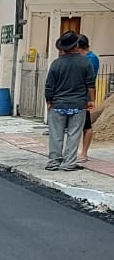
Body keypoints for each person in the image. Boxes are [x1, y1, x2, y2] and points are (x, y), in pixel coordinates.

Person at [45, 30, 95, 171]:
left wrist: (49, 101)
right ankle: (69, 163)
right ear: (76, 45)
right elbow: (90, 84)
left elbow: (49, 85)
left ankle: (54, 162)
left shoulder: (56, 64)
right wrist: (92, 100)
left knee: (56, 134)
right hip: (78, 104)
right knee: (74, 134)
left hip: (58, 104)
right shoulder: (85, 63)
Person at [77, 34, 100, 164]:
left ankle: (84, 153)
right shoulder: (86, 58)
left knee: (86, 125)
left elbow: (88, 79)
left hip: (84, 96)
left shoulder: (90, 59)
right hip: (79, 95)